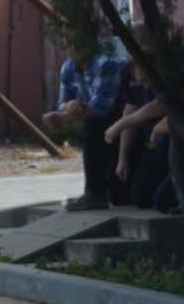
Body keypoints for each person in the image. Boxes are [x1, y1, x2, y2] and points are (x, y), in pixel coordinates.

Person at [43, 42, 134, 210]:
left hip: (123, 122)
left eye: (77, 41)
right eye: (69, 42)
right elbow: (62, 102)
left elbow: (101, 107)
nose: (72, 47)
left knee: (93, 123)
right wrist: (71, 104)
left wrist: (63, 119)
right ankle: (96, 191)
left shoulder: (106, 63)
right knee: (117, 197)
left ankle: (96, 192)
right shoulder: (68, 67)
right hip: (104, 124)